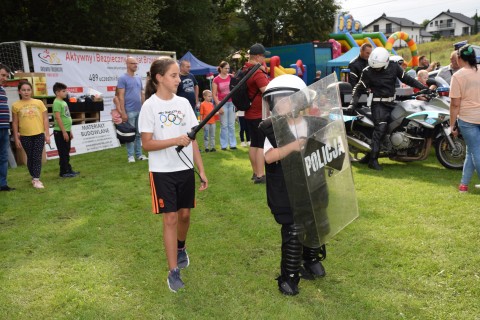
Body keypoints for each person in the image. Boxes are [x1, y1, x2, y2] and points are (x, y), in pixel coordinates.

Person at [138, 58, 208, 293]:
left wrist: (201, 169)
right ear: (159, 78)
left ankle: (180, 248)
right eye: (174, 75)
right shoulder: (149, 106)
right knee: (170, 218)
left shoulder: (184, 104)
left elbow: (193, 141)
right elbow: (146, 144)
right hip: (162, 172)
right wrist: (174, 140)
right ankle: (173, 271)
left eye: (179, 75)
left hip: (185, 170)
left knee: (185, 215)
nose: (179, 79)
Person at [259, 75, 328, 295]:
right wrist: (293, 146)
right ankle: (289, 276)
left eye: (286, 99)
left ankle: (310, 259)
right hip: (285, 190)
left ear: (300, 101)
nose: (281, 104)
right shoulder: (271, 129)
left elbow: (329, 154)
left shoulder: (315, 124)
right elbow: (268, 158)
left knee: (314, 222)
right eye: (276, 100)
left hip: (312, 186)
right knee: (294, 229)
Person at [349, 47, 428, 170]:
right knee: (380, 127)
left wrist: (422, 87)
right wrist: (352, 105)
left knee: (406, 120)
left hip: (393, 102)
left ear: (386, 62)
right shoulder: (368, 71)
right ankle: (373, 159)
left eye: (379, 67)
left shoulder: (393, 66)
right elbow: (358, 89)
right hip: (378, 104)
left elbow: (407, 78)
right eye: (374, 67)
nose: (376, 70)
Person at [449, 44, 480, 193]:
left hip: (468, 118)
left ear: (460, 58)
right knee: (471, 151)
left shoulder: (458, 76)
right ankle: (463, 185)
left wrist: (452, 125)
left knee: (475, 151)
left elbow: (455, 104)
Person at [12, 81, 50, 189]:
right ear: (19, 91)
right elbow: (15, 123)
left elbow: (45, 119)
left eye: (28, 90)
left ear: (31, 91)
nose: (26, 92)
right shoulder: (15, 105)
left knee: (37, 157)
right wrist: (16, 138)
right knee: (30, 157)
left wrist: (47, 134)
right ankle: (34, 177)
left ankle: (36, 179)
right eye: (23, 90)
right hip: (24, 136)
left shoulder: (39, 103)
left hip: (39, 134)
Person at [244, 43, 270, 184]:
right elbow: (266, 90)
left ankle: (255, 172)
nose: (264, 58)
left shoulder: (245, 69)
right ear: (258, 56)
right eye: (263, 55)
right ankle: (261, 175)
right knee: (260, 145)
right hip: (258, 113)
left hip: (248, 113)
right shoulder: (257, 72)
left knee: (254, 143)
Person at [117, 56, 148, 163]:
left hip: (139, 110)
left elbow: (142, 94)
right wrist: (123, 112)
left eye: (136, 63)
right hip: (129, 110)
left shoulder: (139, 78)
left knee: (139, 134)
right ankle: (130, 156)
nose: (135, 65)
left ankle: (139, 154)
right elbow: (120, 96)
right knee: (130, 134)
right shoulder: (122, 78)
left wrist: (144, 108)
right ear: (127, 64)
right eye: (133, 63)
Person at [52, 82, 79, 178]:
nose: (66, 92)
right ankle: (63, 172)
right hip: (60, 132)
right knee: (63, 152)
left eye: (66, 90)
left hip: (66, 131)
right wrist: (64, 132)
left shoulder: (63, 102)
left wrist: (69, 131)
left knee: (66, 151)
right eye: (63, 91)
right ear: (57, 92)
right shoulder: (57, 103)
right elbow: (58, 118)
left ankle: (68, 169)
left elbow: (66, 117)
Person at [212, 61, 236, 150]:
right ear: (221, 68)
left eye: (228, 68)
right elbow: (214, 95)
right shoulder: (216, 79)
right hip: (222, 103)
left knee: (231, 125)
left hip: (232, 103)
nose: (227, 70)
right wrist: (219, 106)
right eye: (225, 68)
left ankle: (233, 144)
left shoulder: (231, 77)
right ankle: (224, 145)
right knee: (224, 125)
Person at [0, 63, 15, 191]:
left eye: (6, 76)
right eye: (2, 75)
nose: (4, 77)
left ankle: (2, 184)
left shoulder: (3, 90)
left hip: (4, 128)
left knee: (4, 157)